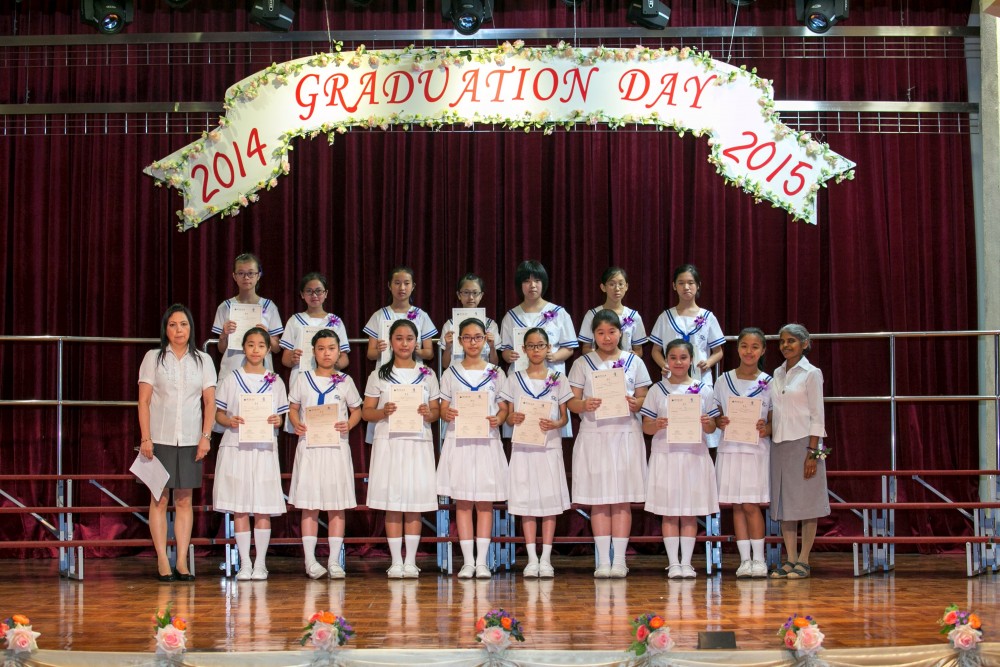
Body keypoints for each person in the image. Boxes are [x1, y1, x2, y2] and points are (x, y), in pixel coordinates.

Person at [137, 304, 217, 582]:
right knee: (159, 499)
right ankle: (162, 558)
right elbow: (144, 401)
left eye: (183, 324)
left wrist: (205, 437)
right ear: (165, 329)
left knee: (184, 500)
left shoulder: (203, 360)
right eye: (172, 325)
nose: (178, 330)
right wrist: (146, 438)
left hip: (191, 440)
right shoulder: (153, 358)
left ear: (191, 328)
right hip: (159, 439)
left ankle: (182, 560)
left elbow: (209, 403)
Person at [568, 310, 651, 578]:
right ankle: (603, 561)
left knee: (621, 500)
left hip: (625, 435)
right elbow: (572, 402)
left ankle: (620, 561)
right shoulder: (583, 363)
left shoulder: (634, 361)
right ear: (593, 335)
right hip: (595, 435)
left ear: (620, 333)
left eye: (612, 332)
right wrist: (584, 404)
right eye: (601, 333)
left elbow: (644, 397)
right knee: (600, 500)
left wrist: (636, 403)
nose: (606, 338)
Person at [361, 319, 441, 579]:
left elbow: (436, 411)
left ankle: (411, 561)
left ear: (416, 342)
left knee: (414, 502)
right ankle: (396, 561)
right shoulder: (379, 375)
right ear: (391, 342)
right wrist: (382, 412)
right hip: (390, 443)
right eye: (399, 338)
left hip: (418, 443)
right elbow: (366, 412)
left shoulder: (428, 374)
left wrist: (429, 413)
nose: (404, 343)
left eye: (409, 338)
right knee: (393, 502)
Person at [214, 327, 288, 581]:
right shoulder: (231, 379)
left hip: (263, 448)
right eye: (250, 344)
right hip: (237, 446)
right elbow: (219, 414)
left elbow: (280, 417)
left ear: (268, 350)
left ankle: (260, 564)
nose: (255, 350)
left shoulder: (275, 380)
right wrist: (229, 420)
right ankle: (245, 563)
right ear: (243, 347)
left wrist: (277, 420)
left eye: (261, 345)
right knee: (241, 507)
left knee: (263, 507)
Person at [287, 329, 362, 580]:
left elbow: (357, 410)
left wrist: (348, 424)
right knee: (310, 505)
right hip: (309, 448)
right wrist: (296, 423)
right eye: (321, 348)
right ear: (314, 352)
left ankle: (333, 561)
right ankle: (310, 561)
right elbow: (293, 408)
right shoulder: (303, 379)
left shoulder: (345, 381)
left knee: (336, 505)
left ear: (339, 352)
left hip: (336, 448)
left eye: (331, 348)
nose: (326, 353)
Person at [437, 318, 509, 579]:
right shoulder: (450, 373)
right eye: (467, 337)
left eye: (477, 337)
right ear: (460, 341)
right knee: (464, 502)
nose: (473, 342)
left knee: (485, 502)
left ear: (485, 340)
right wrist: (447, 413)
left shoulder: (496, 372)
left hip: (486, 441)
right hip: (460, 441)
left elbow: (504, 407)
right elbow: (443, 407)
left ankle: (482, 562)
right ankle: (468, 562)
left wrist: (498, 419)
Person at [641, 338, 720, 579]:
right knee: (669, 511)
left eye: (683, 357)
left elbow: (713, 427)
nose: (678, 362)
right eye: (673, 357)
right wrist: (657, 424)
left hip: (694, 456)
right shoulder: (657, 390)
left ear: (691, 360)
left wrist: (707, 423)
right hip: (666, 456)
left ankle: (686, 562)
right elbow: (646, 427)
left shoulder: (703, 389)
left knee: (688, 511)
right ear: (666, 360)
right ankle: (673, 563)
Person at [501, 327, 572, 578]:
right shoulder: (514, 379)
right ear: (523, 349)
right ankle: (532, 558)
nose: (536, 350)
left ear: (548, 347)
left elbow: (564, 417)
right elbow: (508, 416)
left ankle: (546, 558)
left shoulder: (559, 378)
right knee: (527, 502)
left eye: (540, 345)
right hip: (523, 447)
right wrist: (512, 417)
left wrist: (556, 423)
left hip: (549, 446)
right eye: (531, 346)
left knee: (549, 503)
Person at [769, 323, 829, 580]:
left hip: (805, 444)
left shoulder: (811, 373)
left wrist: (812, 454)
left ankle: (804, 560)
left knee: (807, 504)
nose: (785, 345)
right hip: (779, 444)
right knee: (786, 505)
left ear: (805, 343)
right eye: (782, 341)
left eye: (791, 341)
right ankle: (790, 559)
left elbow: (818, 416)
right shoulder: (777, 373)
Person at [713, 328, 772, 579]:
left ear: (763, 350)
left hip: (755, 451)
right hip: (730, 449)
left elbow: (775, 421)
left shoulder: (770, 382)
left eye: (755, 347)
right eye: (744, 346)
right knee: (737, 505)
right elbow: (715, 415)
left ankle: (759, 559)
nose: (749, 351)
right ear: (737, 349)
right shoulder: (723, 380)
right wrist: (720, 421)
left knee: (750, 504)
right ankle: (745, 560)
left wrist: (766, 428)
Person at [499, 260, 577, 437]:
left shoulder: (559, 313)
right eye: (526, 281)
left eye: (537, 280)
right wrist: (508, 355)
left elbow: (569, 348)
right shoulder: (511, 316)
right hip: (521, 380)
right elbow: (504, 351)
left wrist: (555, 356)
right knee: (522, 430)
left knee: (551, 429)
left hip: (551, 379)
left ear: (544, 283)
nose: (532, 285)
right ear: (520, 285)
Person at [211, 252, 283, 385]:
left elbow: (277, 348)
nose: (246, 277)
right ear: (234, 276)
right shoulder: (225, 307)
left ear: (258, 275)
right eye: (241, 273)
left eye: (251, 273)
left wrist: (266, 335)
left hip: (261, 371)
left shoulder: (269, 307)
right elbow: (221, 349)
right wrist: (223, 335)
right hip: (232, 369)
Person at [650, 264, 724, 385]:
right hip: (672, 378)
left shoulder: (707, 317)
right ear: (674, 286)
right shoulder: (665, 317)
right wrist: (665, 365)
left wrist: (708, 363)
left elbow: (718, 351)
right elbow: (655, 350)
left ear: (698, 285)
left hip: (700, 378)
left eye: (690, 283)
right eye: (681, 283)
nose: (686, 287)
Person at [577, 266, 647, 357]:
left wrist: (631, 357)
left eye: (621, 284)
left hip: (624, 364)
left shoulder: (633, 316)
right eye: (612, 284)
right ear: (603, 287)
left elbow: (638, 350)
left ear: (626, 286)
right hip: (599, 363)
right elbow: (586, 348)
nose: (617, 288)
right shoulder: (592, 315)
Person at [439, 273, 500, 369]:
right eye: (466, 292)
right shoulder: (450, 325)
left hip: (482, 374)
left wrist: (492, 347)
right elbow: (445, 365)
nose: (471, 297)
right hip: (457, 374)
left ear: (481, 295)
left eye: (475, 293)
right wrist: (448, 347)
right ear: (459, 295)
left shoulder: (490, 325)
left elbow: (494, 364)